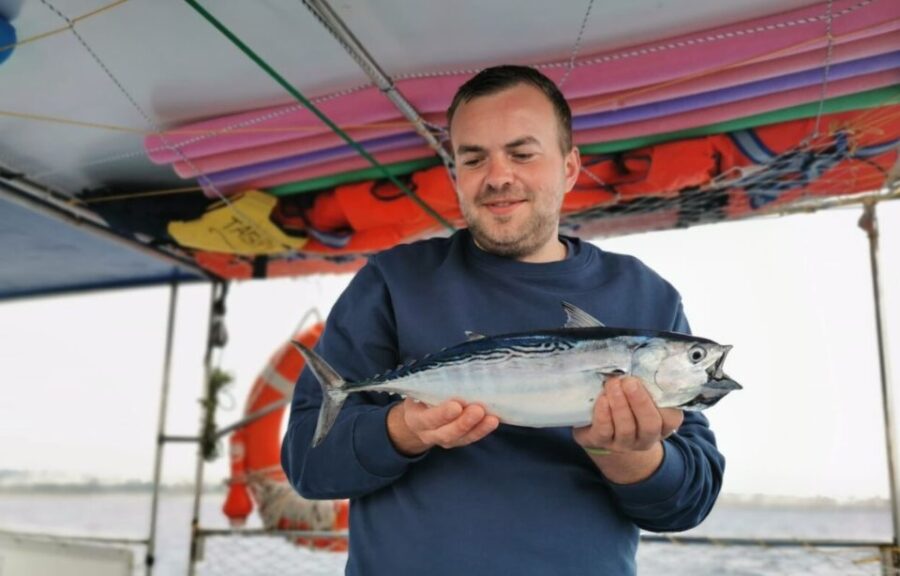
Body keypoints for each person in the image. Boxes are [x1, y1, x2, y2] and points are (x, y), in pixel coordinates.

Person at [282, 65, 725, 575]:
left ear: (570, 167)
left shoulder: (646, 296)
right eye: (474, 159)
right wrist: (405, 428)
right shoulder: (394, 281)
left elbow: (689, 504)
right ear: (456, 175)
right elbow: (308, 465)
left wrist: (629, 455)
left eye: (522, 153)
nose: (498, 177)